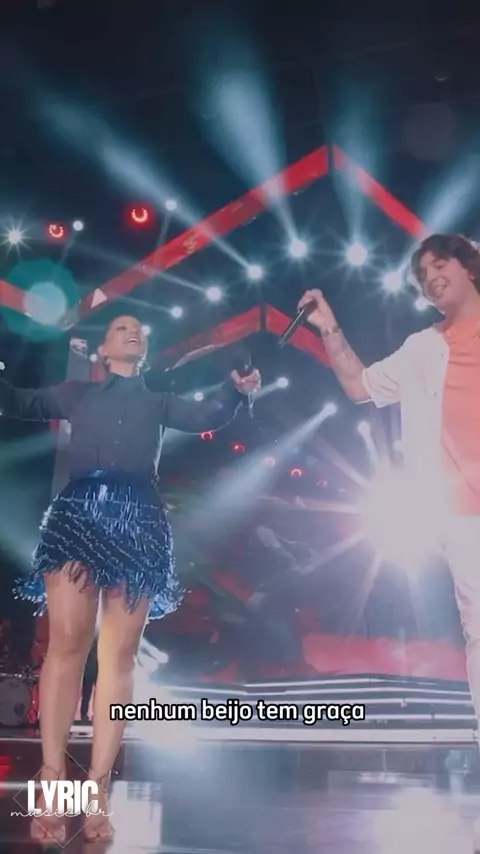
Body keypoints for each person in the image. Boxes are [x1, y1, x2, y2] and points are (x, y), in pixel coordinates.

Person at [4, 314, 261, 843]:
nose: (133, 331)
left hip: (138, 521)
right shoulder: (76, 393)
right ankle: (53, 782)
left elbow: (208, 414)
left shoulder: (159, 401)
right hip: (77, 516)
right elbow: (19, 402)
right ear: (102, 349)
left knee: (118, 658)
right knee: (67, 645)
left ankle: (97, 790)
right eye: (121, 327)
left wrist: (235, 391)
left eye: (140, 329)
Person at [299, 233, 480, 820]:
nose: (431, 277)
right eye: (422, 274)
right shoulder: (423, 347)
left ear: (469, 266)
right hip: (463, 517)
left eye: (440, 264)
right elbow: (359, 386)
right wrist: (329, 327)